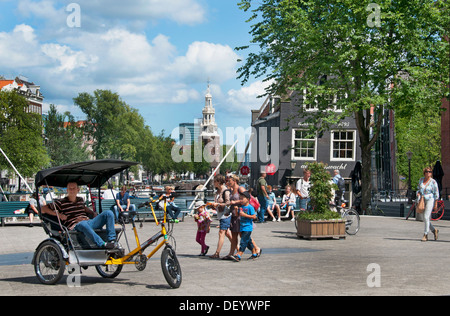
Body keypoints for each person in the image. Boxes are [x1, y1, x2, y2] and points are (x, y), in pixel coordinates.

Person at [41, 182, 117, 249]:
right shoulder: (61, 202)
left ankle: (112, 240)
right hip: (75, 226)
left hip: (89, 222)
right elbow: (43, 209)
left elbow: (84, 208)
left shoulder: (80, 200)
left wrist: (92, 213)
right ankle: (102, 244)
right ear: (67, 190)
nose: (72, 190)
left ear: (78, 190)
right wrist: (58, 214)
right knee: (82, 224)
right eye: (69, 188)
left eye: (73, 188)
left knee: (109, 213)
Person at [209, 175, 232, 259]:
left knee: (221, 232)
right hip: (220, 214)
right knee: (228, 233)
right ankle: (237, 248)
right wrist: (212, 205)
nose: (213, 183)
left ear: (218, 182)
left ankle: (217, 253)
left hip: (225, 215)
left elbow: (228, 203)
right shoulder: (217, 191)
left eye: (214, 181)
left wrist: (218, 204)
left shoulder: (225, 191)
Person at [233, 191, 258, 261]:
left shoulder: (250, 207)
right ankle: (254, 252)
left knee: (243, 241)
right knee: (248, 241)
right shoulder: (241, 207)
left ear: (247, 199)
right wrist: (236, 210)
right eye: (240, 199)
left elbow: (254, 216)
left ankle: (239, 254)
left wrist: (245, 215)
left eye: (242, 199)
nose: (241, 200)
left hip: (248, 227)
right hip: (242, 227)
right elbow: (237, 215)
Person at [417, 167, 440, 242]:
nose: (428, 173)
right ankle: (434, 230)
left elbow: (436, 192)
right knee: (424, 218)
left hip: (430, 199)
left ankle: (425, 234)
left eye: (430, 172)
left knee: (426, 217)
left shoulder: (433, 182)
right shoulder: (421, 180)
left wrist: (436, 203)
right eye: (427, 172)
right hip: (422, 200)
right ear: (424, 173)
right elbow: (419, 189)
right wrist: (418, 193)